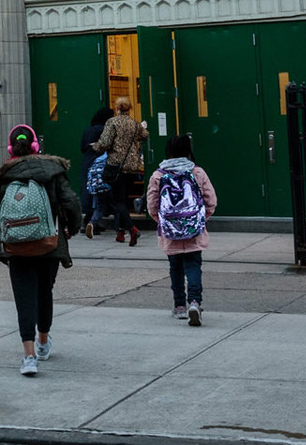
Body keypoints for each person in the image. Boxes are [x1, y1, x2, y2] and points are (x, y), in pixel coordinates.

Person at [0, 124, 83, 376]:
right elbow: (71, 201)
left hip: (17, 247)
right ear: (36, 146)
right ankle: (42, 342)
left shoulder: (5, 175)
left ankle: (28, 357)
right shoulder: (53, 170)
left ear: (11, 147)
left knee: (24, 297)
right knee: (44, 292)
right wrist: (71, 228)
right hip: (49, 244)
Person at [145, 134, 218, 325]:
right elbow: (211, 201)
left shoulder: (158, 175)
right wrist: (199, 220)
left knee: (175, 267)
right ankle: (194, 302)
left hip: (170, 232)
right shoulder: (197, 172)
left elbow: (152, 205)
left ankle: (179, 306)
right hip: (194, 231)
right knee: (193, 266)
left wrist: (164, 221)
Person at [93, 96, 150, 246]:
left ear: (117, 108)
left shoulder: (112, 122)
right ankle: (120, 232)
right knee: (124, 199)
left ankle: (132, 229)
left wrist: (95, 146)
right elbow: (145, 135)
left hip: (116, 165)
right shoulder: (134, 123)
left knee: (118, 200)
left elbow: (104, 142)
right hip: (132, 165)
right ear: (129, 108)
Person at [78, 105, 115, 238]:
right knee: (100, 194)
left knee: (90, 192)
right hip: (100, 162)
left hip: (87, 161)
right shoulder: (104, 129)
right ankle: (93, 222)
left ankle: (89, 221)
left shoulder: (88, 129)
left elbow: (82, 147)